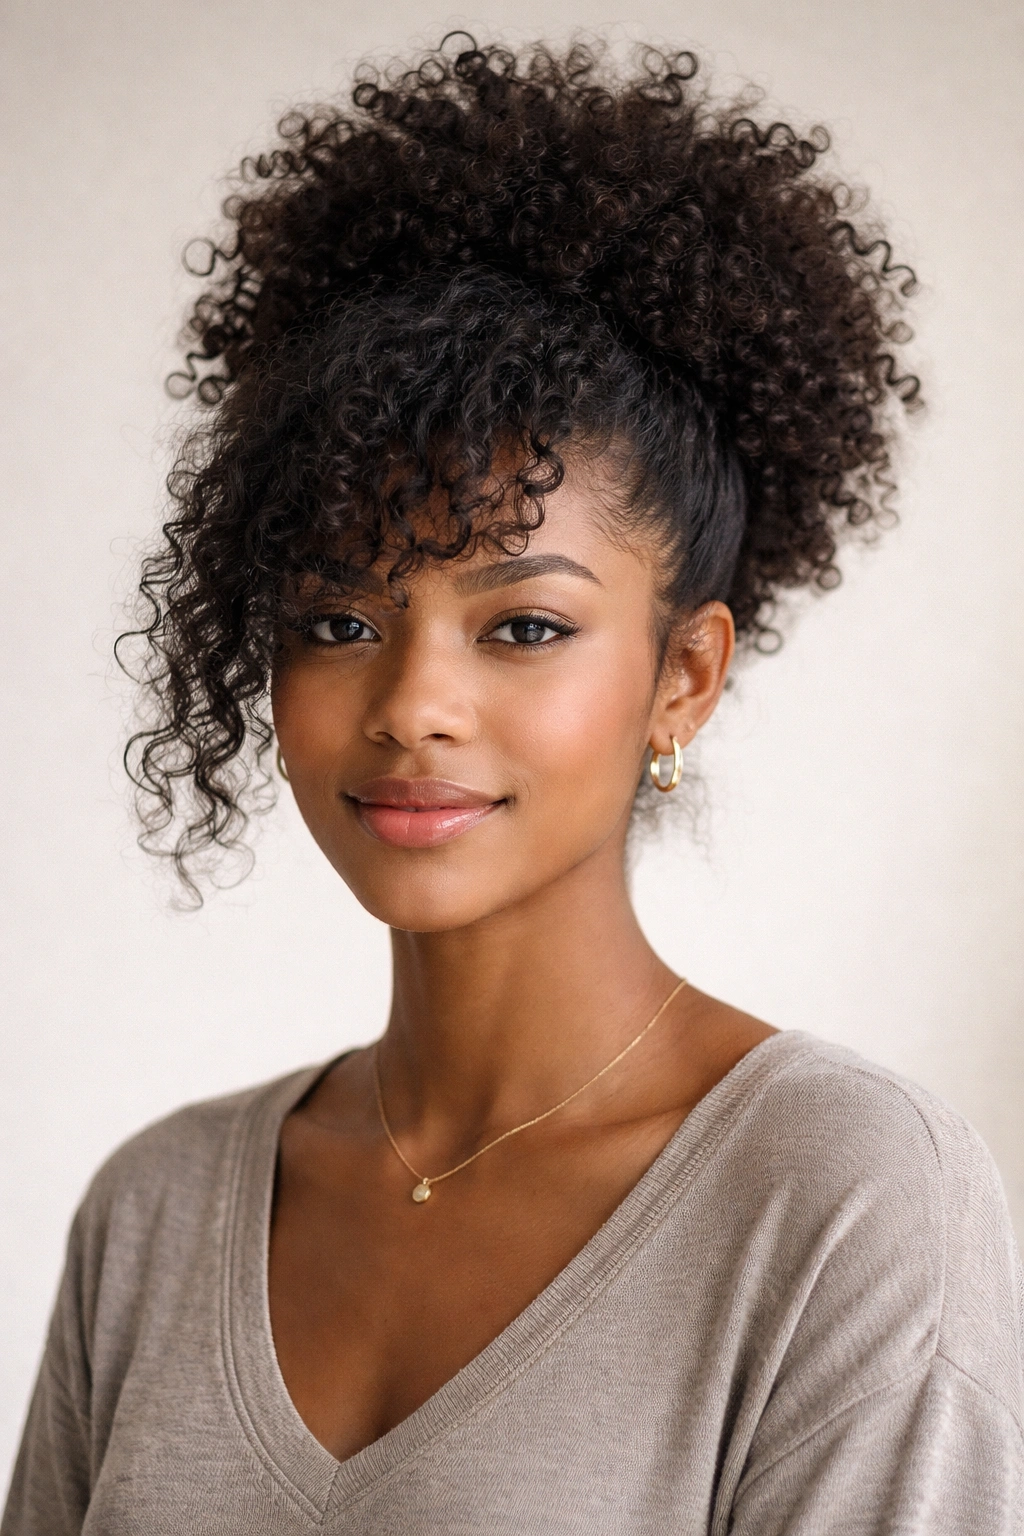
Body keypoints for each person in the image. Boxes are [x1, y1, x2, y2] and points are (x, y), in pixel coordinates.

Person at [4, 36, 1022, 1536]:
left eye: (524, 626)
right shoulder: (155, 1213)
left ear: (683, 675)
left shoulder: (842, 1198)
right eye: (338, 622)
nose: (412, 705)